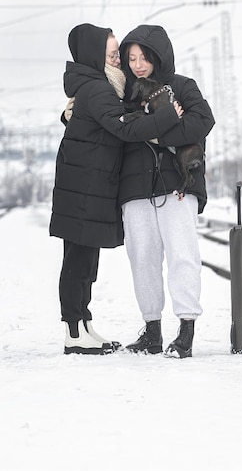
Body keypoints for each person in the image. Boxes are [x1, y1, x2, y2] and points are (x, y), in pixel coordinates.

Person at [50, 23, 184, 355]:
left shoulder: (101, 86)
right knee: (78, 262)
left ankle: (83, 325)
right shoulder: (97, 88)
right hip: (84, 186)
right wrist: (167, 117)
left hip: (90, 184)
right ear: (95, 55)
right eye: (112, 54)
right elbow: (122, 127)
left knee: (86, 262)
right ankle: (73, 330)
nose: (118, 60)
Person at [118, 24, 215, 358]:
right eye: (131, 58)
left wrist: (155, 134)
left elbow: (202, 121)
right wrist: (162, 123)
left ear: (159, 55)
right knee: (141, 258)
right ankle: (152, 330)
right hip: (135, 188)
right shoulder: (123, 93)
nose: (138, 64)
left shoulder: (182, 86)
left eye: (144, 56)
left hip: (177, 185)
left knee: (181, 254)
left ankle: (186, 329)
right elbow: (120, 130)